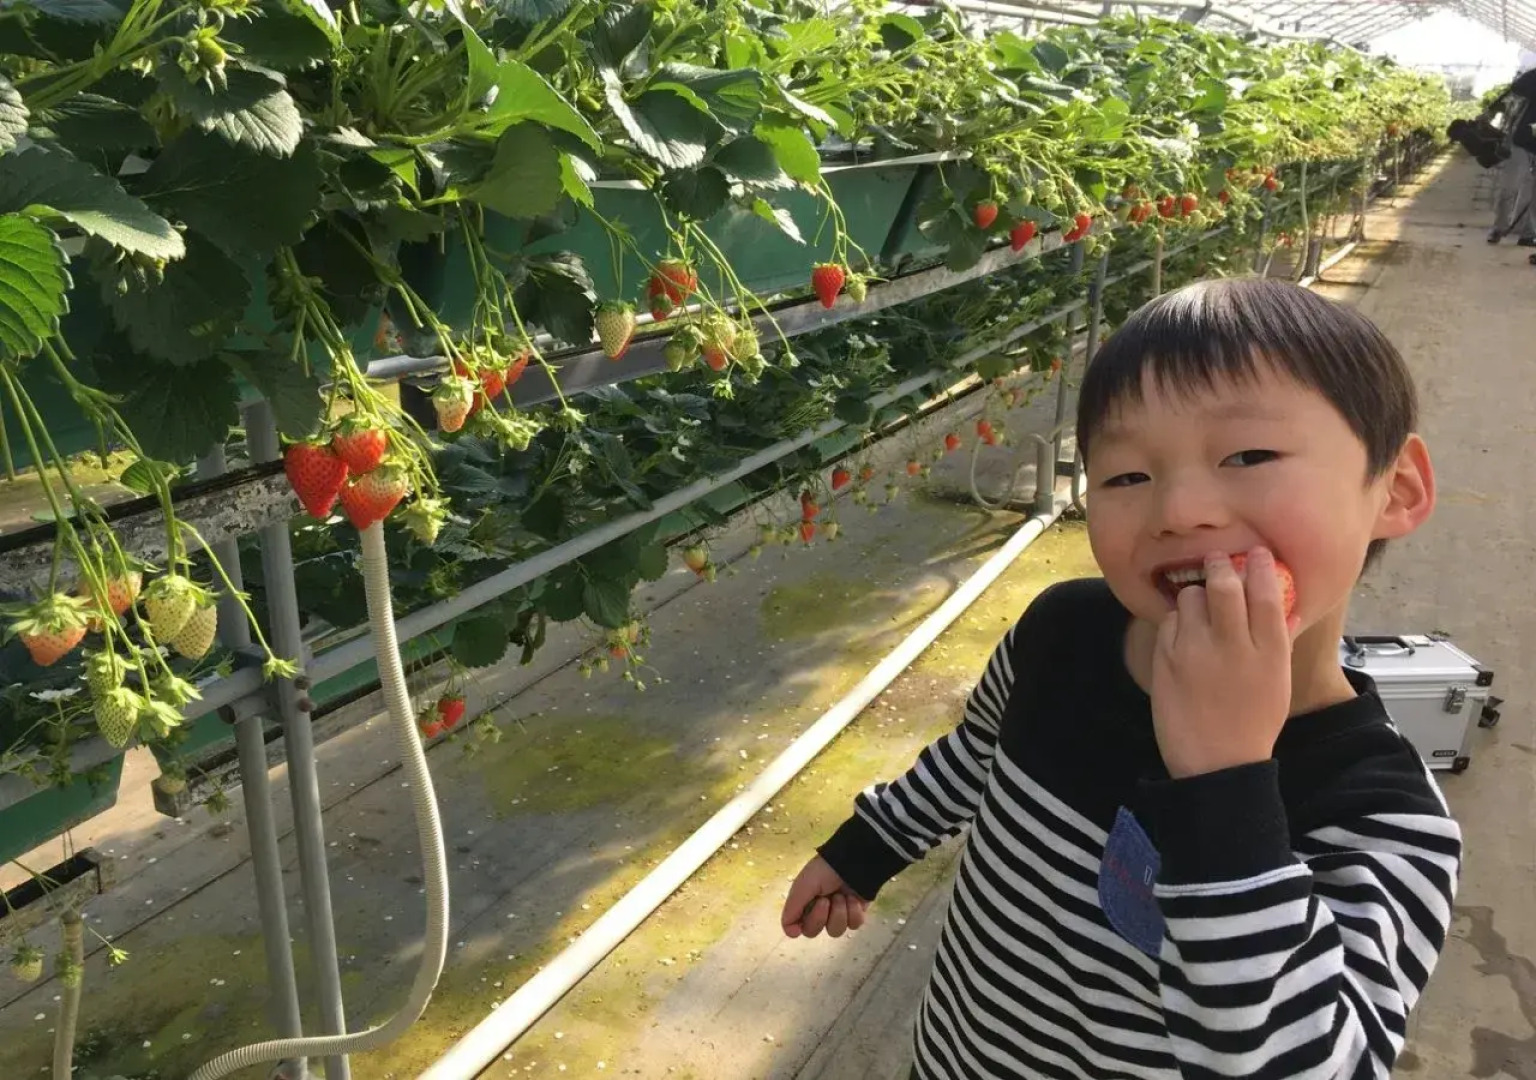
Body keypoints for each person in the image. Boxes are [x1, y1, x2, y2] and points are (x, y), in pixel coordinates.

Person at [780, 278, 1461, 1080]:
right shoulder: (1062, 633)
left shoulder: (1379, 814)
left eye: (1248, 455)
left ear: (1397, 488)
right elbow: (976, 755)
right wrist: (867, 850)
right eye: (1127, 475)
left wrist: (1226, 784)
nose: (1179, 510)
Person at [1487, 65, 1536, 245]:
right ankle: (1498, 227)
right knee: (1509, 188)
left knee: (1533, 195)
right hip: (1522, 141)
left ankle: (1528, 234)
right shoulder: (1532, 78)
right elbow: (1517, 87)